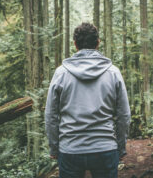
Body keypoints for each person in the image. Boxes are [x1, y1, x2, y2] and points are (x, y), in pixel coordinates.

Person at [45, 22, 131, 178]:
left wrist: (54, 147)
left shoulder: (61, 73)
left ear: (75, 44)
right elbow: (124, 115)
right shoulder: (113, 73)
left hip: (70, 149)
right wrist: (121, 147)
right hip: (105, 148)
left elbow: (51, 116)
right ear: (98, 43)